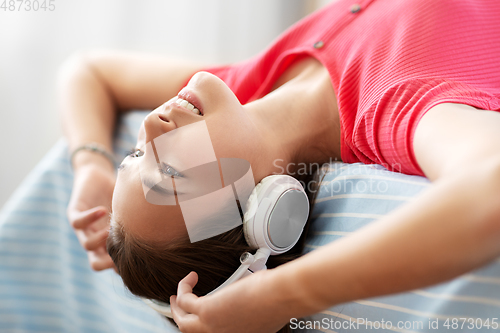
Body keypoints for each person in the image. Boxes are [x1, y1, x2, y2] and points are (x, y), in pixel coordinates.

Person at [61, 0, 500, 332]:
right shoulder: (392, 108)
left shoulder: (247, 87)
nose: (154, 126)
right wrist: (280, 296)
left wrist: (91, 166)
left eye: (135, 154)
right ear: (264, 208)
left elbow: (87, 71)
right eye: (171, 171)